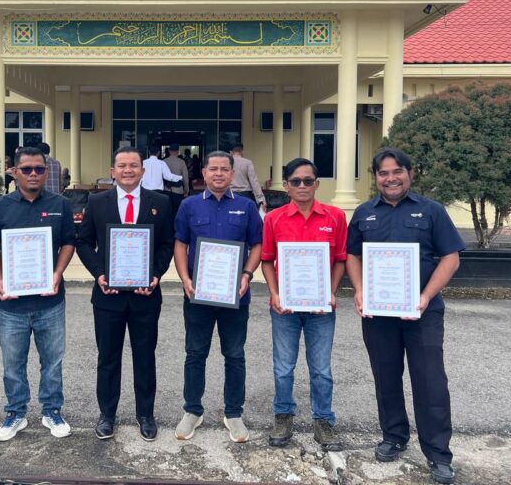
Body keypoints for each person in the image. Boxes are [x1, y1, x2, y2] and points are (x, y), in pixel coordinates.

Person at [346, 148, 464, 485]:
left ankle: (438, 453)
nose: (391, 178)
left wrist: (425, 297)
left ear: (410, 173)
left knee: (430, 381)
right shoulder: (364, 213)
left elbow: (451, 257)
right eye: (383, 173)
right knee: (385, 376)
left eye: (397, 171)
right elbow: (352, 255)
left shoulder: (432, 210)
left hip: (423, 313)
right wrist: (359, 289)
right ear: (376, 178)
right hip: (379, 313)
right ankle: (394, 436)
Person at [75, 146, 175, 442]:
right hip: (108, 295)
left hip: (146, 295)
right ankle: (107, 414)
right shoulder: (97, 202)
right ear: (113, 171)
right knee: (108, 357)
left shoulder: (161, 202)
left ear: (143, 171)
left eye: (133, 165)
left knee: (145, 357)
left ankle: (146, 414)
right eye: (122, 165)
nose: (128, 170)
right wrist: (99, 273)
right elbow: (83, 242)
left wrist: (155, 274)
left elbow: (167, 244)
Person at [0, 146, 76, 442]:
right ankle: (15, 412)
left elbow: (69, 242)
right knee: (13, 364)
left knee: (53, 361)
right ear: (14, 172)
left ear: (46, 172)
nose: (33, 174)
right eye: (26, 169)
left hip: (50, 300)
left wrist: (57, 273)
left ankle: (52, 410)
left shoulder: (61, 204)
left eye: (39, 169)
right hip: (11, 304)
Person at [172, 151, 262, 443]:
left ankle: (233, 413)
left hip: (235, 296)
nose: (219, 174)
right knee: (195, 353)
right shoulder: (189, 205)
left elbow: (257, 245)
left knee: (234, 355)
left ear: (233, 173)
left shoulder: (247, 207)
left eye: (225, 169)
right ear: (204, 173)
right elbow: (180, 244)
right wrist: (185, 279)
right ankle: (192, 411)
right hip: (197, 294)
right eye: (214, 169)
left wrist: (247, 274)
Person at [261, 158, 347, 451]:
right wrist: (274, 293)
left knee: (321, 368)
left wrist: (330, 292)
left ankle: (323, 420)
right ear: (286, 186)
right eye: (295, 181)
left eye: (308, 181)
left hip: (321, 309)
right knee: (283, 367)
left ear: (316, 184)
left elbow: (340, 260)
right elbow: (267, 261)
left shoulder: (335, 217)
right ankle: (283, 416)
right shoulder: (273, 219)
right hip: (284, 308)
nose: (302, 186)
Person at [230, 143, 266, 211]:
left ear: (231, 152)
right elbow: (254, 182)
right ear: (242, 151)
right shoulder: (248, 163)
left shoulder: (227, 163)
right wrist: (261, 199)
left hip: (230, 195)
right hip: (245, 195)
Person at [163, 143, 190, 215]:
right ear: (178, 151)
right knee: (177, 212)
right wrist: (186, 190)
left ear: (169, 151)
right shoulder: (181, 162)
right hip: (178, 190)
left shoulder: (163, 162)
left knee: (167, 212)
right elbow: (185, 177)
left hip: (166, 190)